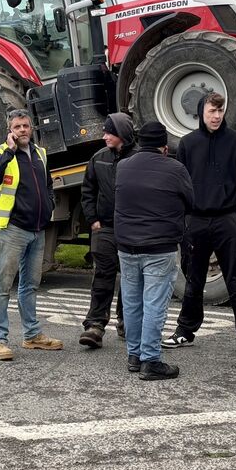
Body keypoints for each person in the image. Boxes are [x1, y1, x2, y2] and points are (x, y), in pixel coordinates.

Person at [163, 92, 236, 356]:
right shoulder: (188, 144)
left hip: (228, 219)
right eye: (211, 112)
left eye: (220, 111)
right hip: (196, 220)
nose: (216, 116)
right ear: (201, 113)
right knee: (193, 280)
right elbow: (181, 182)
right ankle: (185, 331)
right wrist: (184, 217)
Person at [115, 121, 194, 381]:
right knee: (154, 305)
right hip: (159, 246)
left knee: (132, 302)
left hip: (126, 246)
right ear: (164, 146)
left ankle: (134, 355)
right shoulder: (175, 168)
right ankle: (151, 360)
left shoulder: (123, 167)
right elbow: (190, 201)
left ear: (139, 143)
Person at [0, 109, 62, 360]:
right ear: (10, 130)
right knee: (3, 286)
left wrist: (49, 203)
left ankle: (32, 335)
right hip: (14, 229)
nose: (23, 130)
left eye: (26, 126)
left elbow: (47, 184)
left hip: (37, 230)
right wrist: (8, 151)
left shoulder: (40, 154)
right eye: (17, 127)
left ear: (32, 128)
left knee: (30, 286)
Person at [78, 112, 136, 349]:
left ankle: (127, 323)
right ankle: (95, 325)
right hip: (105, 229)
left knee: (131, 279)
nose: (104, 137)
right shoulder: (98, 158)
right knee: (102, 276)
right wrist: (93, 220)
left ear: (121, 133)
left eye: (108, 132)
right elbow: (88, 190)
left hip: (133, 229)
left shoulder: (139, 158)